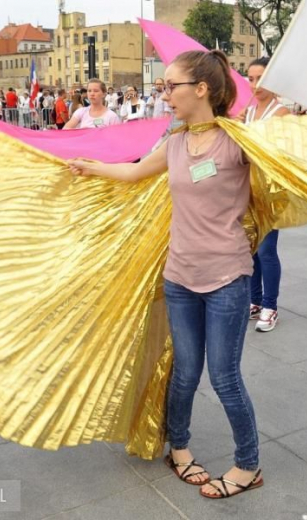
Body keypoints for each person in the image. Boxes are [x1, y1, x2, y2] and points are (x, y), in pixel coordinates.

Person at [68, 49, 264, 500]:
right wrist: (91, 167)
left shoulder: (238, 141)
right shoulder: (175, 143)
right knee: (184, 371)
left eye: (172, 86)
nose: (165, 94)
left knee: (225, 377)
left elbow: (288, 169)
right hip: (179, 277)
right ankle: (179, 448)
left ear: (202, 89)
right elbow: (135, 172)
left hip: (227, 278)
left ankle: (248, 465)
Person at [245, 56, 290, 332]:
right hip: (247, 188)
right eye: (250, 79)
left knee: (266, 250)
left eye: (260, 78)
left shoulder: (281, 113)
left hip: (270, 190)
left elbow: (283, 154)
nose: (255, 85)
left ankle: (270, 306)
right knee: (251, 249)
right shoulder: (248, 112)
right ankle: (255, 300)